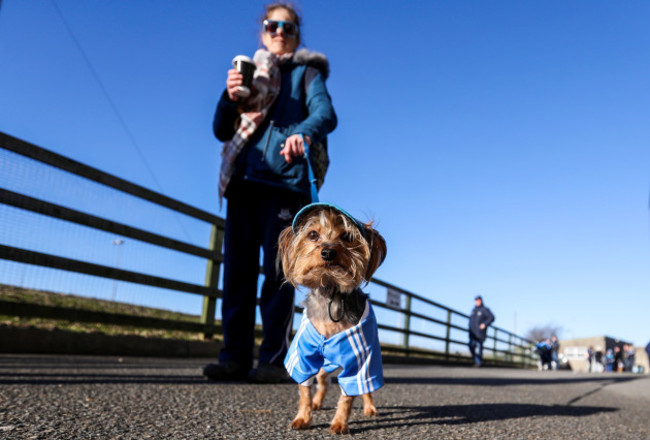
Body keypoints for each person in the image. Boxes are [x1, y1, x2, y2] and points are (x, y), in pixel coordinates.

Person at [204, 2, 337, 383]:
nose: (279, 32)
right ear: (263, 32)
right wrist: (229, 99)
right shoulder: (248, 73)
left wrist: (303, 132)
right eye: (272, 25)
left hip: (284, 183)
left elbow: (326, 114)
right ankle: (233, 357)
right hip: (243, 181)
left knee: (278, 274)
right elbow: (221, 130)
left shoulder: (307, 74)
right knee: (236, 273)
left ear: (297, 35)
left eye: (288, 27)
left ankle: (273, 359)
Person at [467, 295, 495, 367]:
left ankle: (478, 363)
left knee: (479, 347)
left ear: (481, 301)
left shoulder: (484, 309)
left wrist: (484, 324)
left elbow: (491, 317)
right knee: (471, 346)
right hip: (472, 333)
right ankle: (477, 360)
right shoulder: (473, 310)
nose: (477, 302)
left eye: (478, 300)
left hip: (480, 333)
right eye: (476, 300)